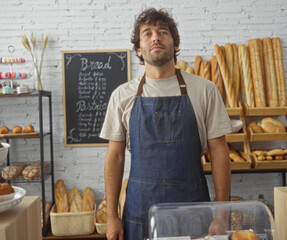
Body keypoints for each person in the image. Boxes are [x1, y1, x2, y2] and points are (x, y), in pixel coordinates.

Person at [100, 8, 233, 240]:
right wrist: (112, 216)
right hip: (141, 211)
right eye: (147, 33)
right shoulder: (122, 95)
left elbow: (220, 152)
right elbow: (115, 156)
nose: (156, 37)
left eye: (163, 32)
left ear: (175, 43)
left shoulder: (204, 90)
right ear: (139, 49)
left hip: (194, 210)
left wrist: (222, 215)